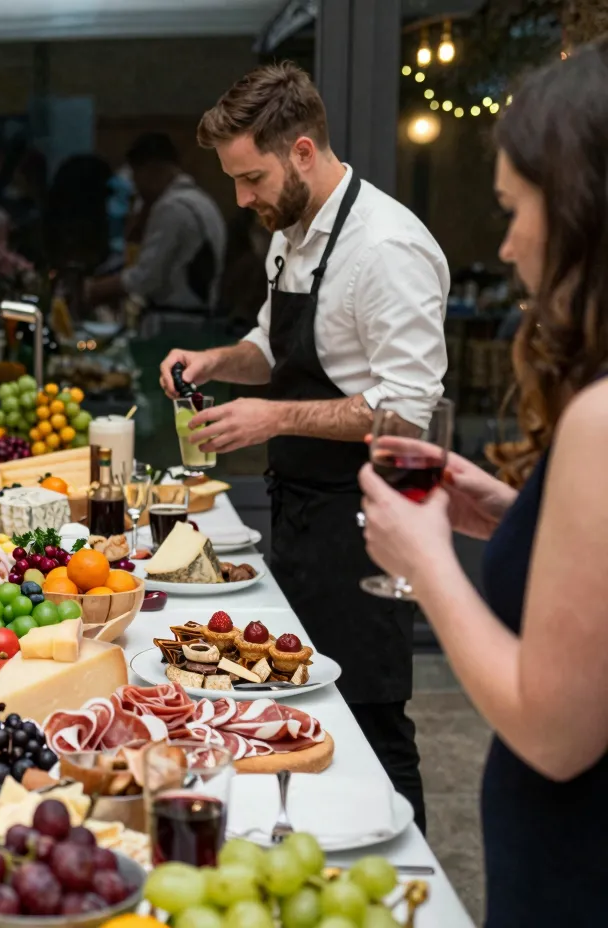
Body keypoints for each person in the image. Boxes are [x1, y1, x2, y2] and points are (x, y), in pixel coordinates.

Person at [160, 63, 449, 832]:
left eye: (250, 178)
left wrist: (273, 419)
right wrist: (217, 362)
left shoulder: (386, 247)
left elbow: (408, 411)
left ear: (303, 152)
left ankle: (407, 883)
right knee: (307, 715)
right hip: (300, 514)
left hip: (366, 525)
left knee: (372, 725)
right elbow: (272, 346)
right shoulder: (291, 235)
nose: (241, 199)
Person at [358, 41, 608, 925]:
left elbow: (555, 733)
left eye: (513, 208)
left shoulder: (600, 417)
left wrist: (426, 563)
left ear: (580, 210)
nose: (505, 245)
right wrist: (521, 520)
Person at [85, 132, 227, 314]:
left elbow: (145, 278)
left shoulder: (171, 207)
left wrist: (95, 289)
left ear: (152, 170)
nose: (136, 187)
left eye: (136, 176)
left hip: (176, 316)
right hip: (201, 313)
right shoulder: (201, 201)